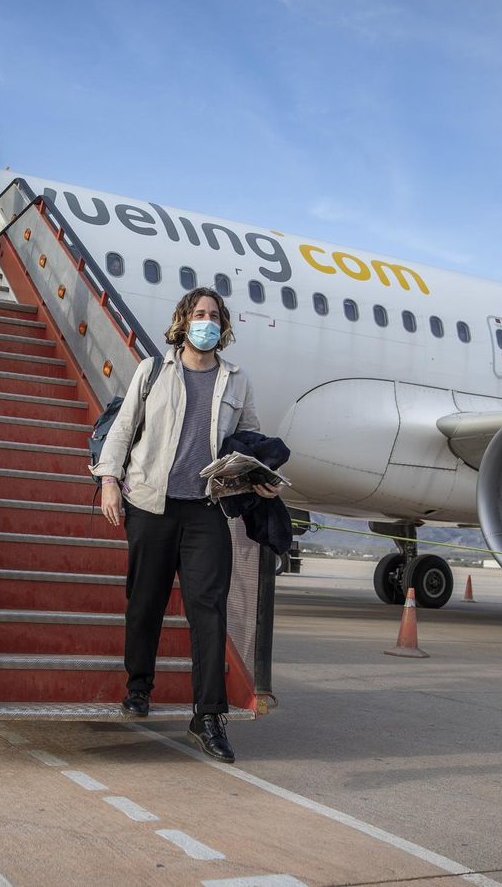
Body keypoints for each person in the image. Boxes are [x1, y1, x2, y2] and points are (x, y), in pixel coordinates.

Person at [90, 287, 281, 764]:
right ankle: (138, 688)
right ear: (183, 321)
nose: (207, 321)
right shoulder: (153, 371)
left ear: (223, 325)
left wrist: (258, 477)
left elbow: (249, 438)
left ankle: (208, 717)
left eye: (214, 315)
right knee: (145, 603)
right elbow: (123, 428)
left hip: (206, 510)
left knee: (209, 612)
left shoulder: (237, 380)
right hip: (150, 504)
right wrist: (109, 480)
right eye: (199, 313)